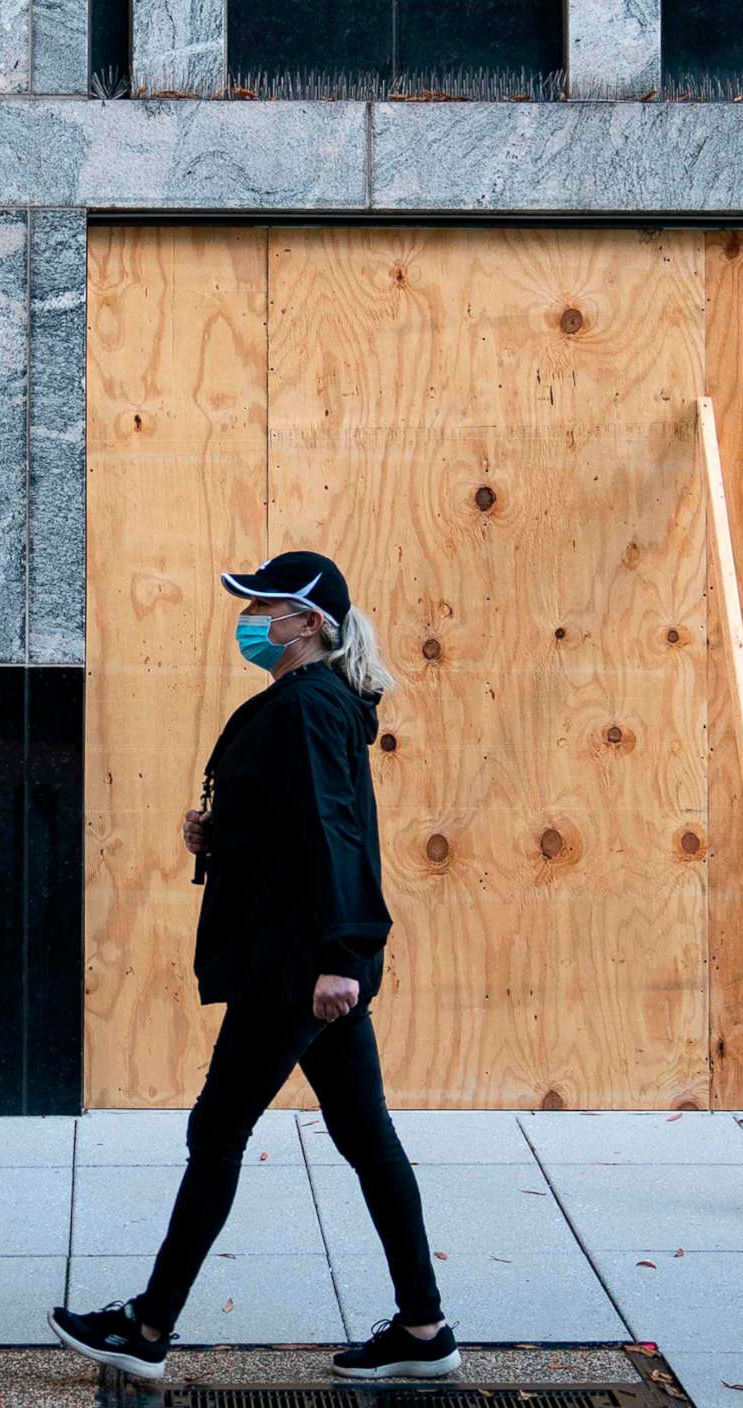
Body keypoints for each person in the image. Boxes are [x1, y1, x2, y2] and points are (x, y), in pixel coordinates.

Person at [50, 550, 458, 1386]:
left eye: (266, 606)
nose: (250, 619)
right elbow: (293, 825)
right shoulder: (305, 701)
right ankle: (423, 1331)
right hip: (305, 960)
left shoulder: (308, 707)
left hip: (298, 966)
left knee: (219, 1130)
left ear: (309, 624)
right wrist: (222, 834)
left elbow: (334, 832)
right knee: (365, 1135)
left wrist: (342, 957)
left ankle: (149, 1326)